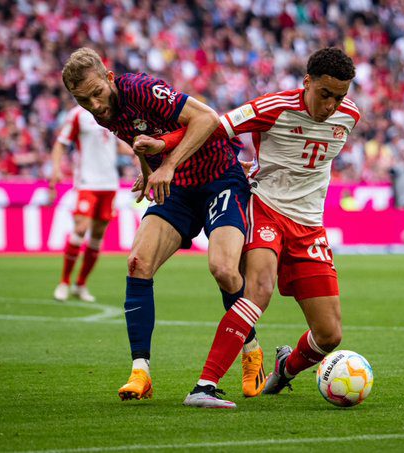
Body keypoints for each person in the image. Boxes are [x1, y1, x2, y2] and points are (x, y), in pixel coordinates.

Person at [135, 47, 361, 408]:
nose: (332, 104)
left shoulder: (350, 116)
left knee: (329, 334)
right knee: (258, 289)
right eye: (325, 94)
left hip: (310, 226)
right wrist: (164, 147)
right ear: (307, 83)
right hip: (267, 209)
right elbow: (210, 124)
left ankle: (283, 369)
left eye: (340, 96)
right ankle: (204, 386)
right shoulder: (274, 106)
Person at [60, 47, 266, 401]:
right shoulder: (102, 112)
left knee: (224, 270)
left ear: (110, 77)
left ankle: (251, 350)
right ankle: (141, 372)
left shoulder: (141, 88)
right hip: (177, 189)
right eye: (83, 100)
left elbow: (207, 119)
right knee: (137, 263)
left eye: (96, 93)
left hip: (220, 179)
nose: (93, 105)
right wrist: (150, 172)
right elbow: (140, 143)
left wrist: (167, 166)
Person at [50, 105, 133, 303]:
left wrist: (134, 150)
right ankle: (64, 282)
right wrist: (56, 170)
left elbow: (113, 144)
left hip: (110, 184)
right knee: (81, 228)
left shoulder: (112, 110)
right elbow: (61, 143)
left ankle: (80, 284)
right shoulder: (78, 114)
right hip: (87, 183)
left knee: (97, 237)